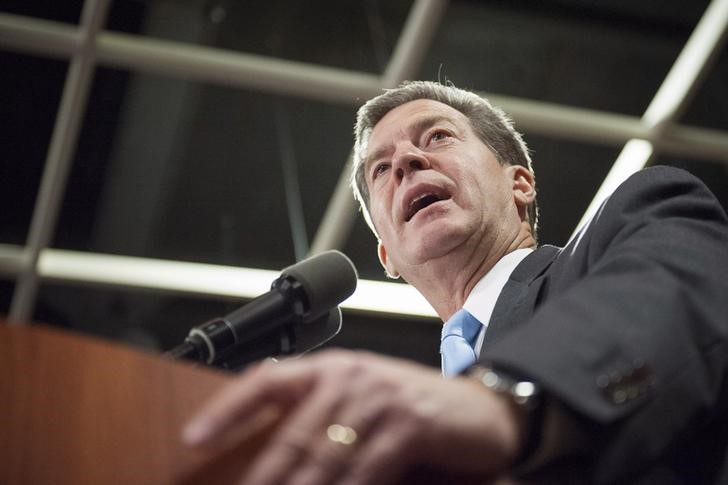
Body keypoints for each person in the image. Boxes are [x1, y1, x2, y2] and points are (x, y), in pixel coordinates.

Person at [182, 81, 728, 484]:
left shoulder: (625, 226)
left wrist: (505, 401)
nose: (407, 162)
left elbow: (686, 285)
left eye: (438, 137)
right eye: (380, 169)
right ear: (387, 254)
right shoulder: (409, 425)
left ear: (520, 184)